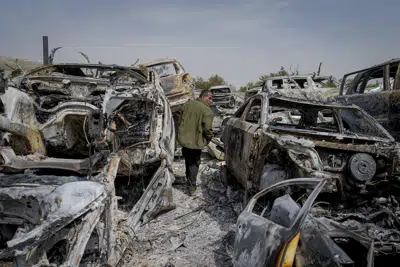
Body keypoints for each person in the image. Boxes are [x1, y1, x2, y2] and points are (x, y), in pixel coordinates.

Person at [177, 89, 213, 189]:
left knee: (188, 161)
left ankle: (188, 181)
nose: (211, 101)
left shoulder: (187, 104)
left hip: (184, 140)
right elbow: (208, 129)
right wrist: (208, 138)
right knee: (194, 164)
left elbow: (180, 121)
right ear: (203, 97)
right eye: (209, 98)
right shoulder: (207, 110)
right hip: (196, 142)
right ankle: (192, 187)